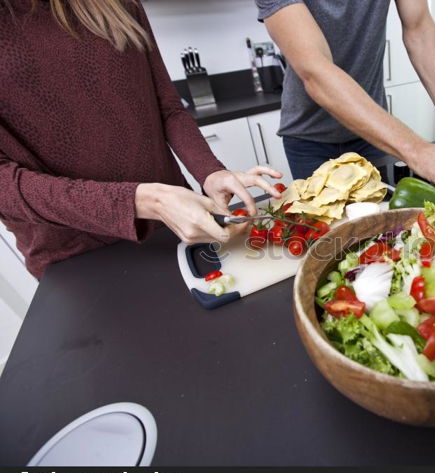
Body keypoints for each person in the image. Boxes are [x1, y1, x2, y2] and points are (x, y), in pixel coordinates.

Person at [0, 0, 282, 278]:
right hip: (74, 254)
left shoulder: (118, 4)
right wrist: (140, 201)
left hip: (174, 227)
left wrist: (210, 171)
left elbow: (166, 107)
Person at [256, 0, 435, 203]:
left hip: (371, 136)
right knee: (330, 240)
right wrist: (417, 150)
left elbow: (418, 26)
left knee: (381, 233)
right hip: (308, 139)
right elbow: (315, 69)